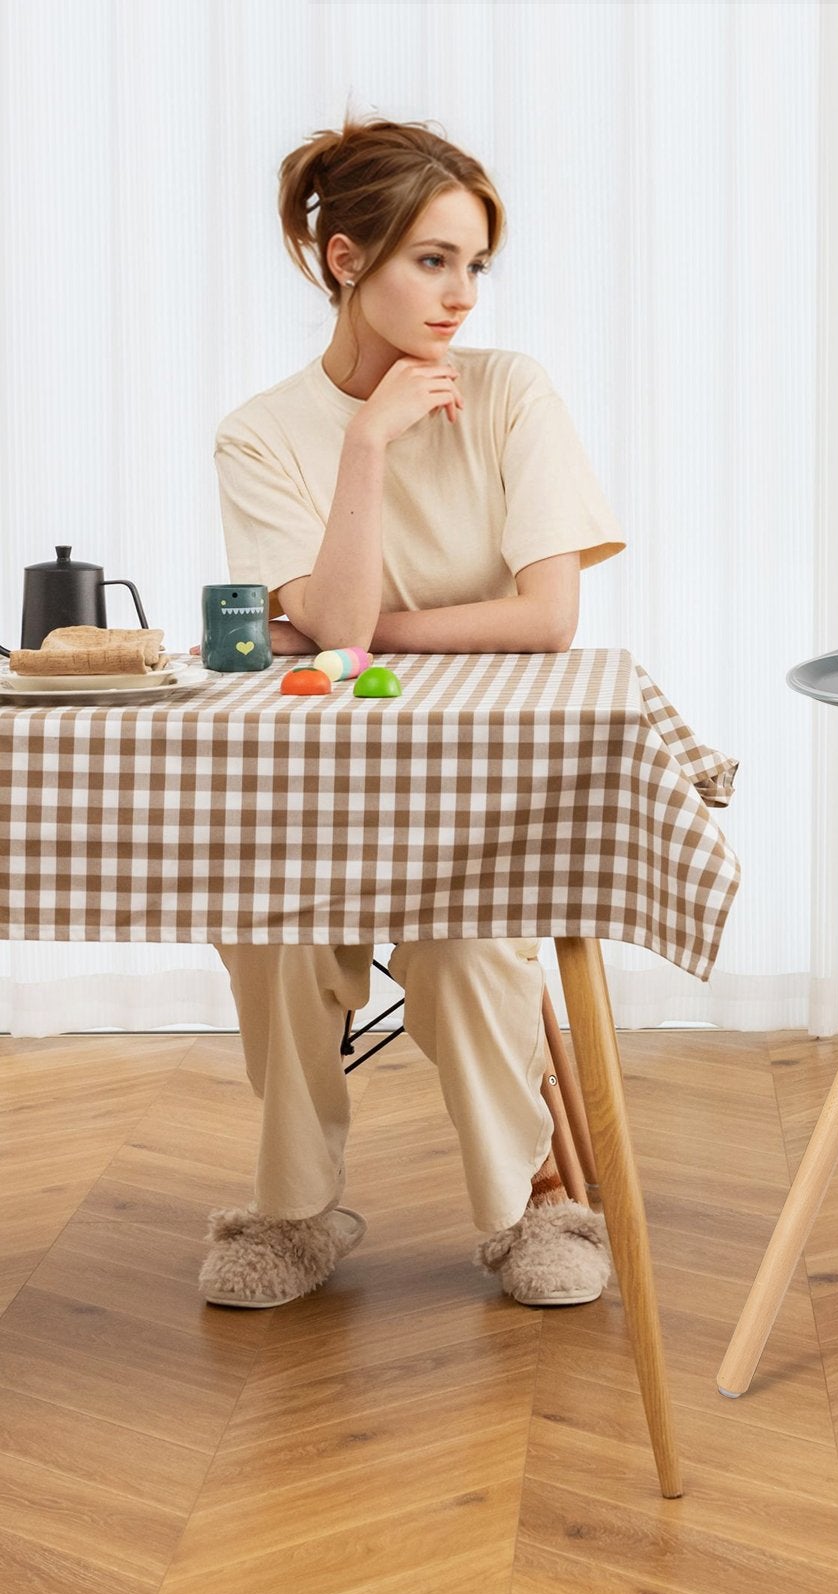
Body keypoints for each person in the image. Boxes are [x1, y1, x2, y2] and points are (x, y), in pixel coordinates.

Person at [202, 117, 623, 1310]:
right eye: (432, 260)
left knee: (466, 944)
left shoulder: (509, 392)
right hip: (312, 795)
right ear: (346, 260)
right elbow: (332, 624)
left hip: (481, 789)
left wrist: (365, 632)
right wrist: (368, 442)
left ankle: (532, 1205)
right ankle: (295, 1212)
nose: (460, 295)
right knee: (270, 929)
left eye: (474, 264)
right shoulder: (259, 434)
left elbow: (546, 617)